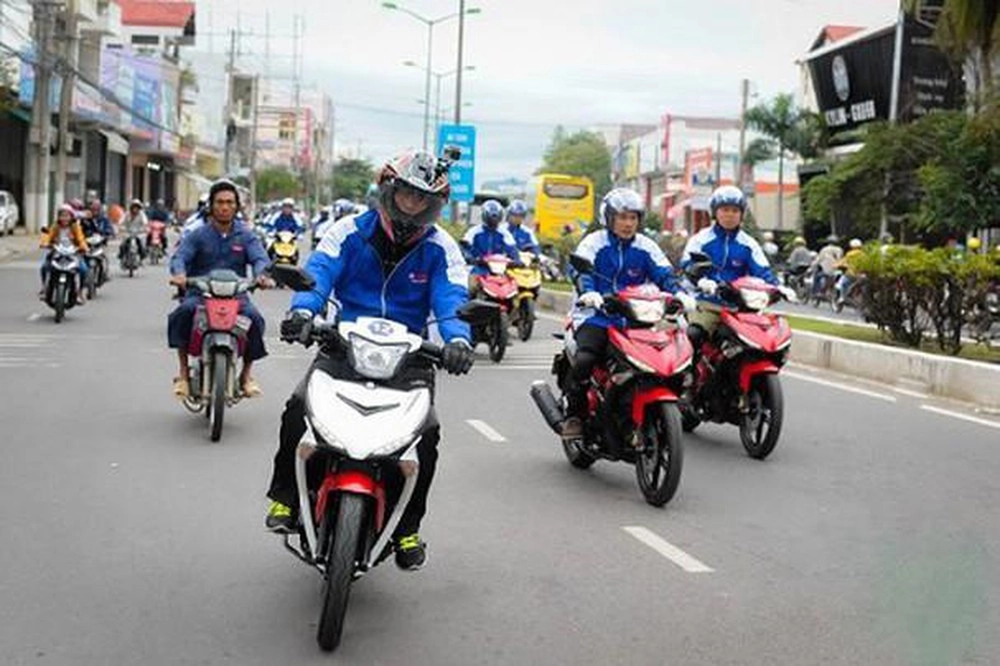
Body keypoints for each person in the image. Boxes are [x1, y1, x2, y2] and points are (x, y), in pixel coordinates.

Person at [265, 150, 475, 571]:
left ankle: (407, 529)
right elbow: (319, 272)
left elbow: (452, 298)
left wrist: (457, 340)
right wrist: (304, 312)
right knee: (296, 410)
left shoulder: (441, 247)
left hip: (410, 356)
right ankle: (286, 498)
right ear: (388, 191)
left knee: (426, 439)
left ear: (434, 206)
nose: (412, 206)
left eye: (423, 200)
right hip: (342, 345)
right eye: (406, 195)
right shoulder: (347, 231)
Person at [561, 187, 697, 440]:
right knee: (586, 359)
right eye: (622, 217)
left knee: (666, 358)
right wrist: (588, 292)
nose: (627, 223)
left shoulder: (646, 246)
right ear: (609, 218)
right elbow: (580, 270)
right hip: (596, 315)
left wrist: (680, 294)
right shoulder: (594, 242)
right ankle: (575, 414)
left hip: (637, 319)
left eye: (633, 218)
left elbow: (664, 274)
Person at [167, 179, 273, 399]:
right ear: (211, 206)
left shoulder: (246, 236)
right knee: (183, 313)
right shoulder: (197, 235)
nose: (224, 207)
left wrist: (262, 275)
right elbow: (181, 257)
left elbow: (260, 258)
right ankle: (183, 375)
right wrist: (179, 274)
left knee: (255, 319)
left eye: (229, 203)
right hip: (200, 294)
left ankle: (246, 376)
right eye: (220, 202)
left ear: (236, 206)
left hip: (237, 295)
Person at [680, 186, 793, 349]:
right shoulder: (700, 240)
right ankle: (691, 374)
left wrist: (778, 287)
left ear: (741, 214)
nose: (729, 215)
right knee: (694, 335)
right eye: (724, 210)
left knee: (765, 343)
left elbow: (762, 271)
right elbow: (688, 265)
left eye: (734, 210)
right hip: (707, 303)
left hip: (740, 307)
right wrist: (702, 281)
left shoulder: (749, 244)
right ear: (714, 212)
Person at [461, 199, 520, 292]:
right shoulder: (474, 232)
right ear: (484, 216)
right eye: (491, 217)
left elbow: (512, 248)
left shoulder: (504, 233)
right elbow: (465, 247)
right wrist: (470, 257)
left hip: (499, 269)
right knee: (471, 287)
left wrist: (516, 260)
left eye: (496, 217)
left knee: (513, 288)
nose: (494, 220)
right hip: (479, 267)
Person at [39, 204, 89, 303]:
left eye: (67, 216)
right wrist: (45, 243)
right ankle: (45, 289)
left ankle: (79, 291)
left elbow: (80, 238)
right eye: (62, 215)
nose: (64, 218)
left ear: (71, 217)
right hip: (57, 252)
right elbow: (48, 236)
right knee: (45, 267)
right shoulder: (55, 226)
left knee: (83, 269)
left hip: (72, 253)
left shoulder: (75, 227)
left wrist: (83, 247)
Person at [811, 234, 843, 299]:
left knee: (817, 277)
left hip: (827, 271)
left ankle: (816, 292)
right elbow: (840, 259)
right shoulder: (839, 249)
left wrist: (812, 266)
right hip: (837, 270)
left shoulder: (824, 249)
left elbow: (819, 259)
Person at [835, 238, 864, 305]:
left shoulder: (850, 254)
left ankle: (842, 298)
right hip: (860, 274)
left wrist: (836, 265)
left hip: (851, 274)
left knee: (842, 284)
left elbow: (843, 261)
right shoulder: (863, 254)